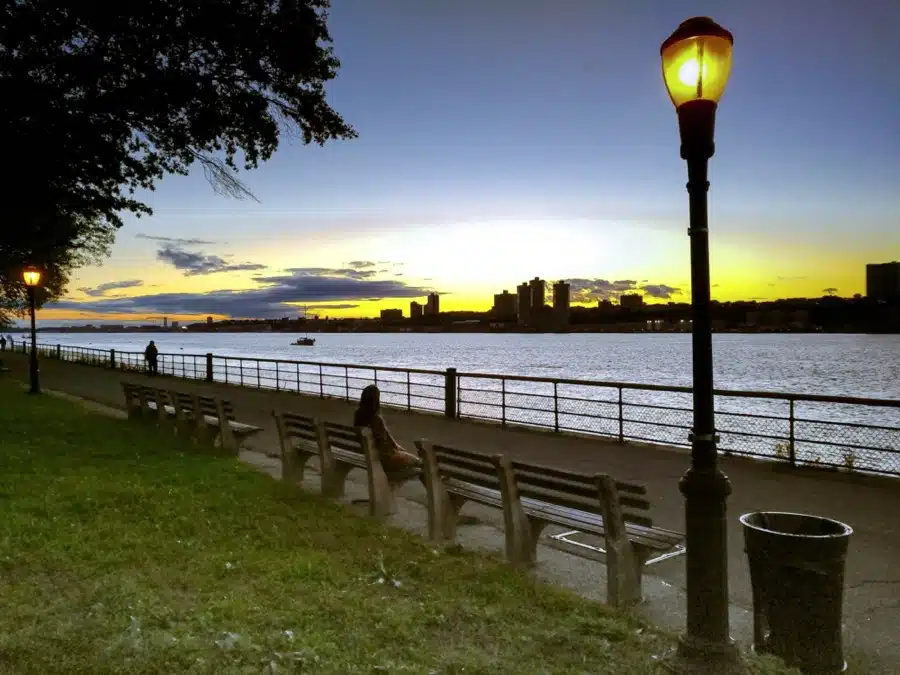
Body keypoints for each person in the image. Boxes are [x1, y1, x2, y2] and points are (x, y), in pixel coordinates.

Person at [354, 384, 422, 481]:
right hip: (385, 460)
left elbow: (385, 441)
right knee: (419, 462)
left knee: (409, 456)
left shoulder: (357, 415)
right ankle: (435, 481)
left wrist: (397, 447)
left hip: (370, 455)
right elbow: (384, 446)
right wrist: (398, 453)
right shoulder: (376, 419)